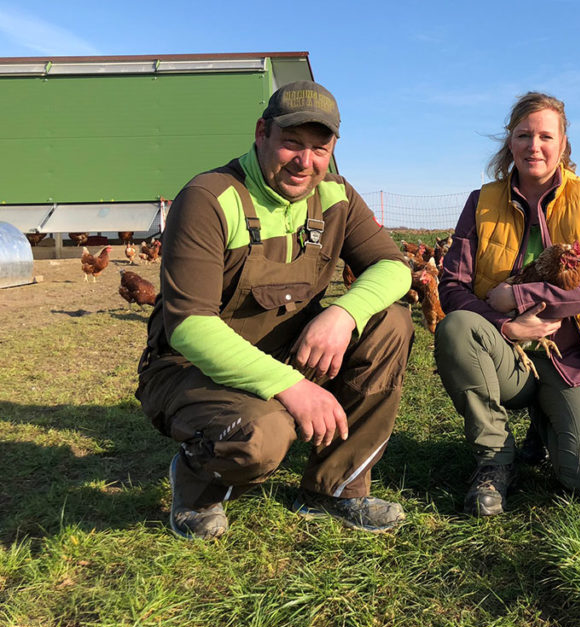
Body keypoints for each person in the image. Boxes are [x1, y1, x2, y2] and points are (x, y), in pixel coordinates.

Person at [136, 80, 414, 539]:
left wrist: (343, 314)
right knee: (260, 436)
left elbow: (393, 267)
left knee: (391, 320)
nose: (306, 162)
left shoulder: (337, 196)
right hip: (192, 369)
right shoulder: (210, 198)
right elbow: (189, 328)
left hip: (288, 350)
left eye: (319, 149)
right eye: (292, 144)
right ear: (262, 132)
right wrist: (291, 387)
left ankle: (336, 488)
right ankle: (195, 481)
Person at [434, 91, 580, 516]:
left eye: (545, 136)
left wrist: (518, 295)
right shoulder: (481, 202)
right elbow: (452, 285)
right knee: (456, 328)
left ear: (562, 145)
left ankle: (564, 416)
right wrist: (506, 326)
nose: (534, 146)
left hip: (575, 355)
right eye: (523, 135)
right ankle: (494, 461)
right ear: (510, 142)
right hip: (509, 353)